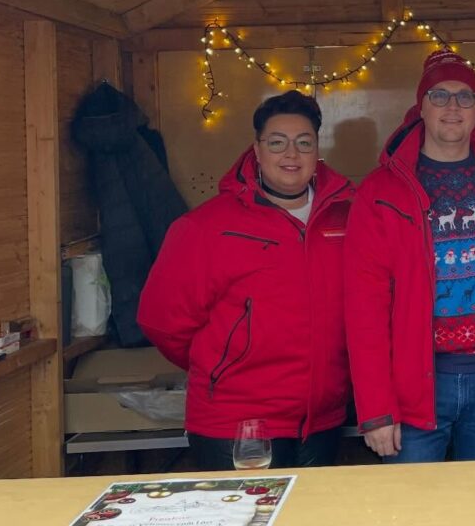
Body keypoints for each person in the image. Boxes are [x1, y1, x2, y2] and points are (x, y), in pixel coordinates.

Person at [344, 49, 475, 463]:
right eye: (439, 96)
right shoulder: (381, 191)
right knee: (415, 500)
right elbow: (364, 307)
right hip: (414, 384)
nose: (453, 107)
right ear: (421, 107)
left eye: (465, 96)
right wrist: (376, 409)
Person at [138, 90, 354, 469]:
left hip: (323, 419)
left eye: (304, 143)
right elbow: (163, 322)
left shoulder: (348, 218)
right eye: (277, 142)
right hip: (237, 423)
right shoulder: (206, 227)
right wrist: (222, 367)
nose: (291, 154)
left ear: (317, 151)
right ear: (256, 149)